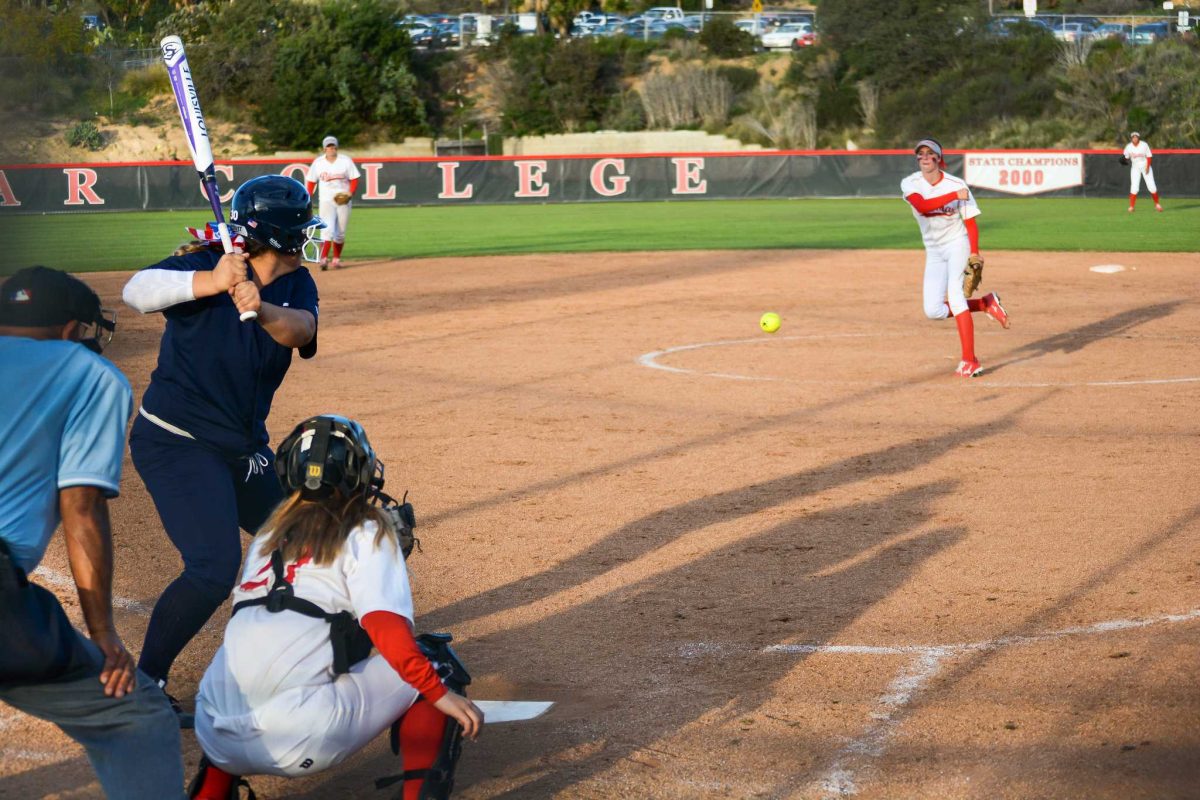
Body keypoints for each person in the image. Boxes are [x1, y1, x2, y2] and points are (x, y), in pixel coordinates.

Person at [188, 414, 484, 800]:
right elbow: (388, 633)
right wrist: (440, 695)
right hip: (301, 737)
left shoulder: (266, 535)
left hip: (214, 734)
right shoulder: (366, 529)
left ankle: (205, 794)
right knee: (434, 662)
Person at [121, 174, 323, 724]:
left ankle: (291, 656)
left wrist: (261, 308)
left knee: (303, 544)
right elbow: (135, 291)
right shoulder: (209, 262)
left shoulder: (296, 285)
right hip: (176, 441)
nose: (307, 234)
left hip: (241, 448)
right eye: (301, 226)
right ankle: (145, 684)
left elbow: (302, 331)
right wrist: (210, 282)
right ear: (282, 234)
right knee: (212, 567)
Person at [0, 266, 185, 799]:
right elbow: (80, 508)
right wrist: (103, 634)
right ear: (70, 328)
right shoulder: (87, 372)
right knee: (138, 714)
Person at [901, 138, 1010, 378]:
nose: (925, 157)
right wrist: (954, 195)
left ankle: (970, 361)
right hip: (933, 250)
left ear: (939, 158)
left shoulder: (957, 183)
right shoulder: (911, 183)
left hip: (956, 244)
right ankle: (985, 304)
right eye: (921, 154)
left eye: (930, 153)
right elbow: (923, 207)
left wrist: (975, 251)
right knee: (933, 310)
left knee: (956, 296)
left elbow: (970, 222)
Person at [306, 135, 361, 270]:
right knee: (327, 230)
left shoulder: (345, 161)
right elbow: (311, 181)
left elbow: (354, 178)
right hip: (326, 201)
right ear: (324, 148)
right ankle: (323, 260)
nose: (331, 148)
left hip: (343, 200)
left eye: (333, 145)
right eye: (328, 146)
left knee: (340, 233)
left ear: (336, 147)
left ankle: (336, 260)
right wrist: (308, 197)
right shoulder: (318, 163)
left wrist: (350, 192)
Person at [1123, 132, 1163, 213]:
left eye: (1136, 137)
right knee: (1134, 187)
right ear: (1131, 138)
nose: (1135, 138)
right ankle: (1131, 207)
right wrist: (1124, 160)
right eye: (1133, 137)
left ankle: (1157, 204)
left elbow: (1149, 156)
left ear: (1138, 138)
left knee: (1151, 186)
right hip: (1135, 168)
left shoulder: (1144, 145)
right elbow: (1126, 157)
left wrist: (1148, 167)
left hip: (1145, 166)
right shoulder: (1128, 147)